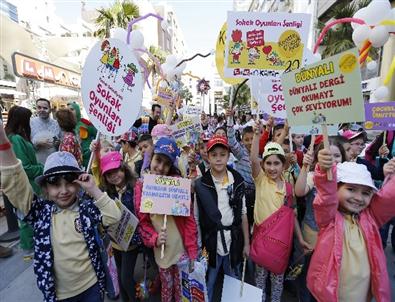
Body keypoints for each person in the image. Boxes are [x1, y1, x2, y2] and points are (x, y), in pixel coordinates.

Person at [0, 117, 122, 301]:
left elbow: (114, 216)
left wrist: (93, 189)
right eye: (55, 184)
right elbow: (16, 183)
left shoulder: (86, 209)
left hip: (92, 287)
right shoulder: (40, 213)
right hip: (59, 294)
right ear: (46, 189)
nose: (64, 191)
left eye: (70, 183)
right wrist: (2, 139)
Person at [307, 148, 395, 302]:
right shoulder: (329, 219)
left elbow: (389, 198)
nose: (358, 197)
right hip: (331, 294)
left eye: (366, 193)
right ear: (336, 188)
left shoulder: (371, 217)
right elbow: (326, 197)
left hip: (361, 295)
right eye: (351, 189)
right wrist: (324, 171)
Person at [250, 120, 311, 302]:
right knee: (259, 282)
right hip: (261, 242)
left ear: (283, 164)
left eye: (277, 163)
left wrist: (300, 239)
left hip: (281, 246)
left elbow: (291, 214)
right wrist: (256, 135)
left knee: (277, 283)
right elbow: (254, 159)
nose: (272, 167)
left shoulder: (288, 187)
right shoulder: (260, 180)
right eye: (268, 163)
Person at [134, 137, 198, 302]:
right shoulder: (141, 187)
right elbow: (143, 223)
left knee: (182, 291)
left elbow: (189, 220)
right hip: (162, 253)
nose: (161, 167)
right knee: (166, 290)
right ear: (151, 157)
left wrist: (192, 251)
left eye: (166, 164)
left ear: (171, 166)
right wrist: (154, 238)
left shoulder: (177, 185)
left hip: (181, 251)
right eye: (158, 160)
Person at [194, 135, 250, 302]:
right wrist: (198, 247)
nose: (218, 159)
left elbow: (243, 213)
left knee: (233, 278)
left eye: (222, 154)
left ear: (228, 155)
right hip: (208, 243)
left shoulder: (238, 181)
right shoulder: (201, 184)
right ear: (208, 157)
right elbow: (197, 218)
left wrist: (247, 243)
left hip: (234, 241)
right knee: (207, 280)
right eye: (214, 155)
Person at [100, 151, 142, 302]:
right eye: (109, 173)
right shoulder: (107, 193)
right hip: (115, 241)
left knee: (125, 278)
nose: (114, 175)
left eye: (116, 170)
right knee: (118, 274)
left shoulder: (136, 188)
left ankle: (135, 298)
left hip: (131, 242)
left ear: (123, 169)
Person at [5, 106, 44, 256]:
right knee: (28, 217)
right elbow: (25, 167)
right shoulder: (16, 138)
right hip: (27, 185)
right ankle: (30, 249)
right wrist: (42, 168)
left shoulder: (14, 136)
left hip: (27, 184)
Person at [30, 98, 62, 165]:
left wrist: (57, 143)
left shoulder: (57, 124)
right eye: (39, 107)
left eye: (45, 108)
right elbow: (26, 145)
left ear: (50, 109)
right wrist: (37, 143)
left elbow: (61, 141)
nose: (42, 110)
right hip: (37, 162)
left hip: (54, 162)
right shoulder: (30, 123)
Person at [68, 102, 97, 169]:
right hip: (74, 157)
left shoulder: (85, 124)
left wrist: (93, 147)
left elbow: (96, 135)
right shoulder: (67, 125)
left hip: (88, 155)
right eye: (68, 110)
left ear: (77, 110)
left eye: (72, 109)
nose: (69, 112)